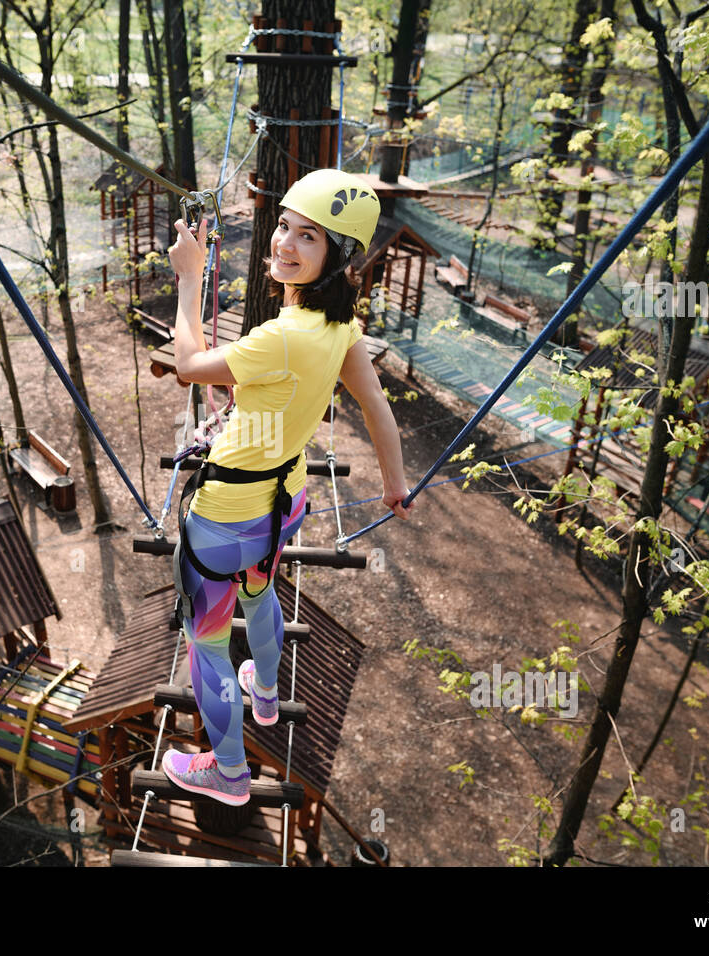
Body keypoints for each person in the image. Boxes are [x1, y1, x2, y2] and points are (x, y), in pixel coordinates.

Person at [162, 168, 414, 806]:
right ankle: (266, 696)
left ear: (337, 258)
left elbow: (190, 367)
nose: (284, 244)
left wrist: (190, 277)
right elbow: (377, 407)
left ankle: (229, 775)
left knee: (208, 642)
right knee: (262, 587)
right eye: (283, 226)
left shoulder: (282, 337)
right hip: (285, 502)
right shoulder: (339, 329)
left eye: (309, 237)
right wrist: (395, 483)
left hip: (224, 519)